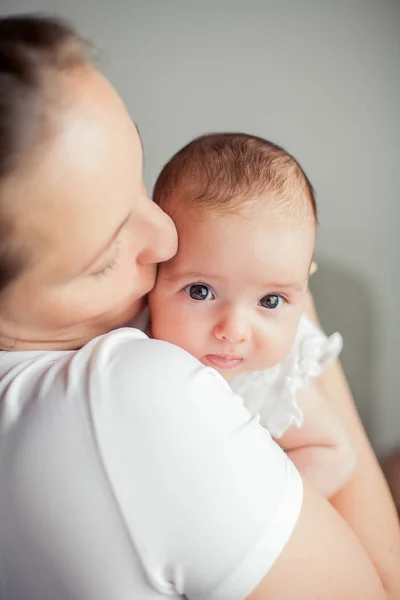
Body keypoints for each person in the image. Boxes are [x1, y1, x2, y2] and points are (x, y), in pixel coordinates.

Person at [0, 14, 399, 600]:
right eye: (107, 253)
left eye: (135, 176)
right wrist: (300, 315)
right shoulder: (122, 403)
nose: (167, 240)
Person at [148, 132, 354, 499]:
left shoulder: (267, 380)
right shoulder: (128, 340)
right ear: (153, 271)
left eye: (271, 301)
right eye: (200, 291)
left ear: (304, 288)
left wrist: (257, 504)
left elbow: (333, 453)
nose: (234, 331)